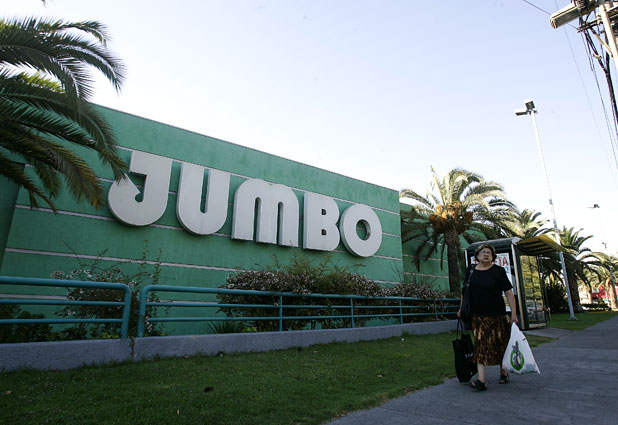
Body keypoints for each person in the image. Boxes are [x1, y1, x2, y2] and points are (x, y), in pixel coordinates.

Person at [457, 243, 518, 391]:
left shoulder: (498, 271)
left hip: (498, 315)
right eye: (483, 252)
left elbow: (509, 293)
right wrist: (461, 308)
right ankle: (481, 380)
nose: (486, 254)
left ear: (493, 257)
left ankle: (503, 372)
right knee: (480, 345)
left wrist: (514, 314)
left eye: (489, 253)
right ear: (477, 256)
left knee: (501, 343)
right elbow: (465, 291)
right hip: (478, 316)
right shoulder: (471, 271)